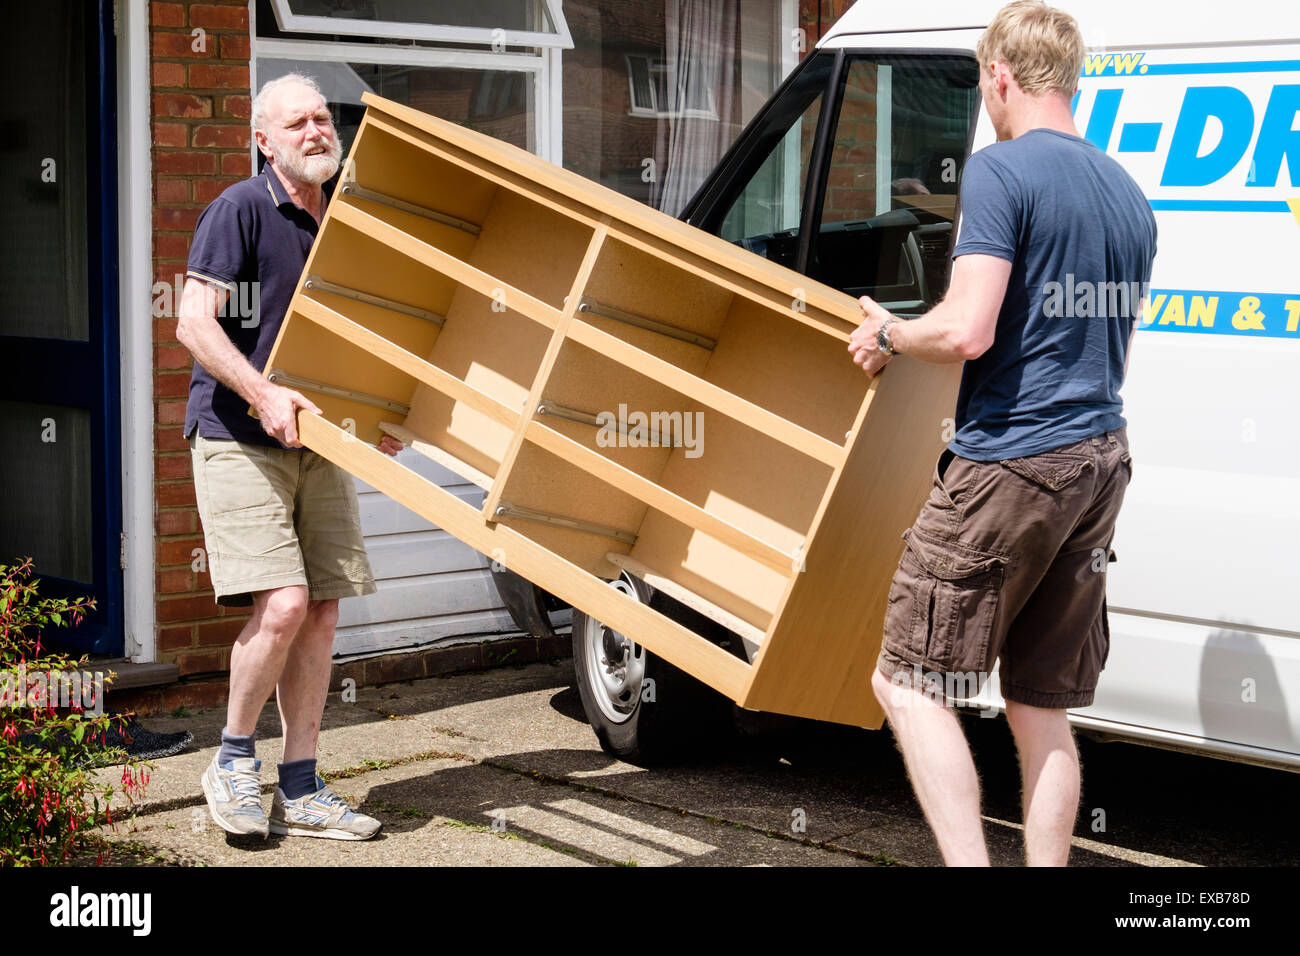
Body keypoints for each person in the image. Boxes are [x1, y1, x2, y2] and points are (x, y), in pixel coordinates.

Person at [848, 0, 1156, 866]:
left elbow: (970, 330)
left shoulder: (1000, 171)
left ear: (999, 76)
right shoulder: (1127, 194)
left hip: (1013, 461)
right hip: (1100, 461)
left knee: (908, 680)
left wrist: (890, 333)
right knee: (1038, 703)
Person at [178, 73, 403, 841]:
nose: (316, 131)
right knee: (283, 604)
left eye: (322, 119)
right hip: (240, 435)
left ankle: (302, 789)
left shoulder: (341, 215)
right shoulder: (239, 209)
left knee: (323, 608)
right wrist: (262, 393)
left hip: (320, 437)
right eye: (297, 123)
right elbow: (192, 324)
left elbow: (355, 331)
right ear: (263, 139)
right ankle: (232, 762)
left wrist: (377, 411)